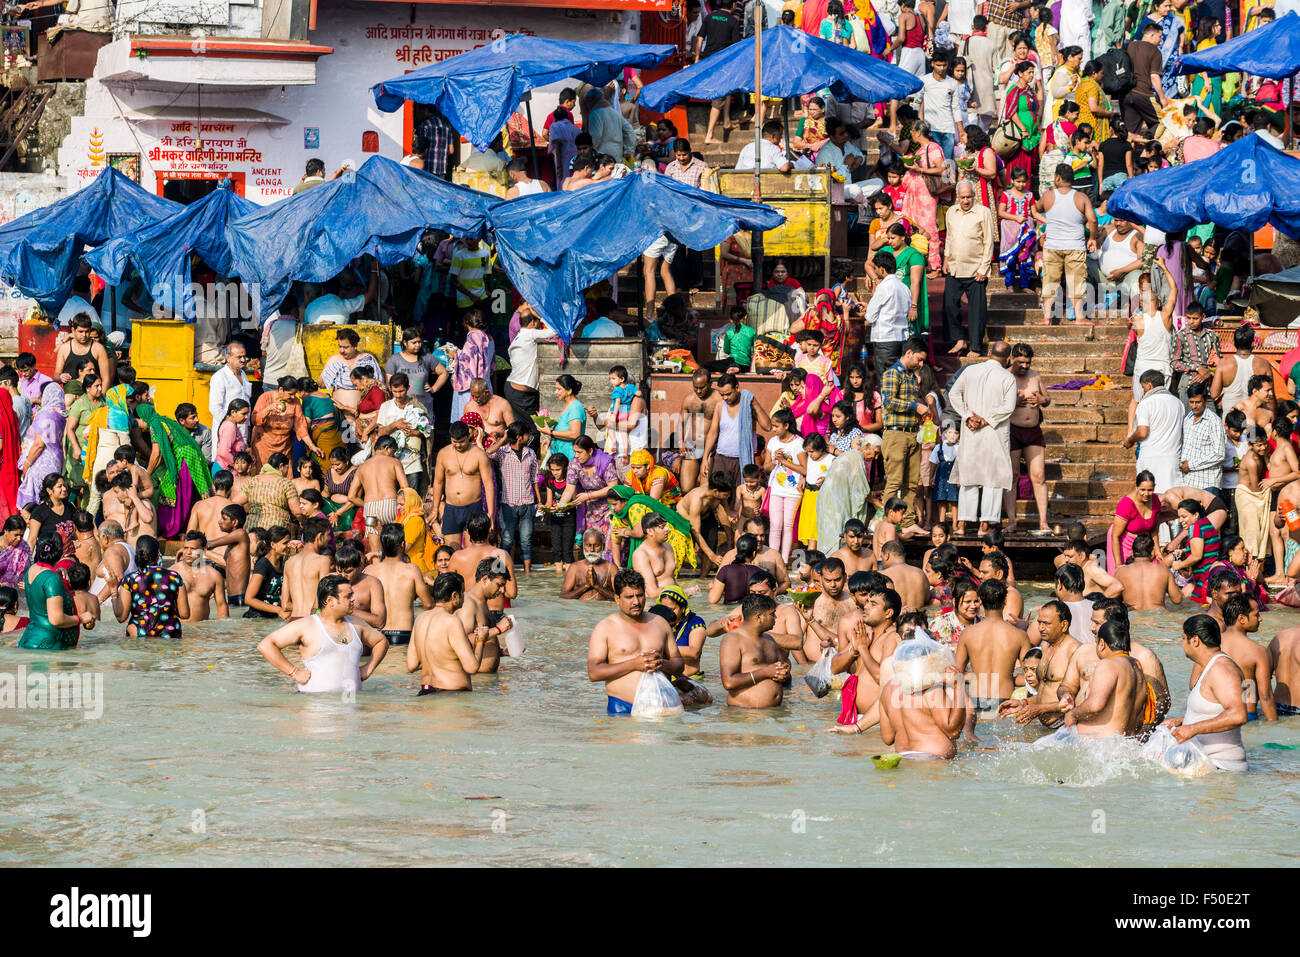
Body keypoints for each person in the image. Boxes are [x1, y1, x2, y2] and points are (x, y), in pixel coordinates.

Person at [259, 575, 389, 694]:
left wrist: (368, 669)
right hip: (315, 707)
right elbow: (266, 645)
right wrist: (294, 672)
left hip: (351, 706)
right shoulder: (306, 625)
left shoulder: (357, 625)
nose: (353, 600)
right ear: (330, 600)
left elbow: (381, 641)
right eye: (348, 596)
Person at [586, 569, 685, 714]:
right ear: (617, 598)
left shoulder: (660, 623)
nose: (636, 602)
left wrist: (662, 664)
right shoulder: (605, 628)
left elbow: (679, 664)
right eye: (629, 597)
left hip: (659, 704)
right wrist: (633, 664)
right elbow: (594, 673)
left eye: (639, 595)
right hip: (622, 706)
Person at [947, 342, 1018, 535]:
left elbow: (953, 393)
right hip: (993, 432)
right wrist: (985, 420)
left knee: (969, 476)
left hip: (971, 430)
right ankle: (984, 525)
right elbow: (1009, 407)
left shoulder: (970, 371)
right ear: (1008, 359)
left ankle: (961, 525)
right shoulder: (1007, 377)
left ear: (989, 353)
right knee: (992, 479)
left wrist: (967, 416)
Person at [1163, 615, 1248, 771]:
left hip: (1221, 769)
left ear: (1195, 640)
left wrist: (1192, 728)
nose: (1182, 645)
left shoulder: (1221, 669)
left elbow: (1238, 715)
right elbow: (1217, 710)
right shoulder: (1212, 666)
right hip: (1210, 766)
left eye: (1183, 639)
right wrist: (1183, 721)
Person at [1058, 619, 1150, 737]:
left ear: (1101, 643)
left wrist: (1073, 714)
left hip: (1100, 746)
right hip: (1125, 743)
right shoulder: (1136, 666)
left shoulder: (1108, 664)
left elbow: (1095, 705)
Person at [1036, 163, 1098, 323]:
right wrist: (1091, 238)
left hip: (1053, 246)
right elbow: (1093, 219)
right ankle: (1079, 317)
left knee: (1050, 281)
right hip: (1075, 246)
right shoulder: (1081, 197)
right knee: (1077, 282)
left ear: (1057, 178)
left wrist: (1042, 218)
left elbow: (1035, 208)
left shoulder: (1048, 196)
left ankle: (1046, 317)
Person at [880, 337, 930, 528]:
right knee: (894, 482)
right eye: (919, 359)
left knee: (911, 483)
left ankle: (908, 523)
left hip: (912, 433)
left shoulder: (911, 375)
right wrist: (915, 406)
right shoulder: (892, 373)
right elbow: (889, 402)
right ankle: (888, 524)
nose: (921, 363)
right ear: (909, 353)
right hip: (895, 435)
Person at [942, 182, 995, 356]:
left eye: (968, 197)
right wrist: (946, 259)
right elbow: (949, 237)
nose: (965, 201)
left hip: (975, 269)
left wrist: (984, 267)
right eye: (962, 197)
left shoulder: (983, 212)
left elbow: (988, 241)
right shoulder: (951, 212)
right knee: (949, 305)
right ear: (958, 196)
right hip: (955, 267)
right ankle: (959, 340)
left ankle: (975, 347)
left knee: (977, 311)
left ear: (974, 196)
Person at [20, 532, 94, 649]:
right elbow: (56, 619)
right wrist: (82, 618)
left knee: (23, 668)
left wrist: (55, 571)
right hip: (49, 645)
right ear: (60, 553)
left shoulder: (32, 570)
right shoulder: (52, 579)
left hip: (29, 640)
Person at [701, 373, 772, 489]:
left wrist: (753, 402)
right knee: (720, 498)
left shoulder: (748, 404)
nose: (725, 398)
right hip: (722, 459)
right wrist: (705, 458)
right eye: (722, 394)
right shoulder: (720, 406)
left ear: (737, 388)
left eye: (728, 394)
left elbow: (768, 427)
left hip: (743, 461)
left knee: (741, 500)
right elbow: (713, 432)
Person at [718, 593, 790, 708]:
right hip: (744, 715)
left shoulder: (769, 639)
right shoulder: (732, 640)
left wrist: (784, 672)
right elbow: (728, 682)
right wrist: (765, 672)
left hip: (774, 713)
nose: (775, 618)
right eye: (772, 614)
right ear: (759, 617)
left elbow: (783, 677)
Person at [111, 535, 189, 638]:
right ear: (158, 555)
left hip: (140, 633)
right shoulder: (175, 577)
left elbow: (121, 617)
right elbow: (184, 614)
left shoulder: (130, 579)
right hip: (170, 634)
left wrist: (113, 591)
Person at [429, 422, 494, 543]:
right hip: (451, 509)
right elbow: (438, 483)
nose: (458, 445)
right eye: (454, 441)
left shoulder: (479, 454)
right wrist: (434, 509)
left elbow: (488, 484)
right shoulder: (443, 454)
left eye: (462, 441)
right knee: (452, 551)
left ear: (468, 436)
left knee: (473, 551)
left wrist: (490, 514)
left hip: (473, 507)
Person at [1216, 593, 1276, 721]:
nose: (1260, 619)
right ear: (1242, 619)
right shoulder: (1258, 651)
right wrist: (1274, 728)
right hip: (1246, 715)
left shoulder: (1212, 644)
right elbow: (1265, 696)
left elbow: (1194, 683)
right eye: (1256, 615)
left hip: (1216, 715)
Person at [1124, 370, 1184, 495]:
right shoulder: (1178, 403)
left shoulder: (1146, 403)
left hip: (1151, 459)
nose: (1143, 391)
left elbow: (1142, 432)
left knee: (1150, 500)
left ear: (1149, 385)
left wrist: (1130, 440)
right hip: (1173, 459)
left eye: (1143, 387)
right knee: (1172, 499)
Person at [18, 383, 66, 510]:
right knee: (52, 500)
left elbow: (39, 444)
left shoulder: (45, 414)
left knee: (37, 505)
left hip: (40, 463)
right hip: (55, 463)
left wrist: (27, 464)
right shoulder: (62, 415)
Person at [1211, 325, 1271, 415]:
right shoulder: (1263, 364)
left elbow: (1214, 394)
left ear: (1234, 343)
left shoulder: (1223, 364)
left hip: (1230, 420)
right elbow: (1271, 396)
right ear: (1252, 343)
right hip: (1254, 418)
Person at [1113, 533, 1182, 610]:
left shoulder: (1121, 572)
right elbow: (1177, 599)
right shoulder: (1164, 570)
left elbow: (1114, 601)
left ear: (1132, 553)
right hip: (1159, 618)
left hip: (1133, 617)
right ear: (1152, 552)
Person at [1123, 21, 1165, 135]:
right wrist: (1162, 98)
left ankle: (1131, 149)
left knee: (1130, 130)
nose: (1161, 40)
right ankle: (1149, 147)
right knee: (1164, 121)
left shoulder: (1130, 46)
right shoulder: (1155, 52)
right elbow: (1154, 77)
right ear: (1151, 35)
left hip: (1127, 94)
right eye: (1160, 37)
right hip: (1143, 93)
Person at [207, 343, 252, 446]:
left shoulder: (244, 375)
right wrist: (230, 425)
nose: (243, 360)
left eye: (244, 356)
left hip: (243, 429)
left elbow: (247, 402)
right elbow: (215, 408)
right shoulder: (219, 377)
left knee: (241, 460)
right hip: (227, 430)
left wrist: (247, 427)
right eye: (239, 357)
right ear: (228, 358)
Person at [536, 374, 586, 464]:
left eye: (559, 389)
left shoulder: (575, 408)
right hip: (561, 456)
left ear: (569, 391)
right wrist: (551, 439)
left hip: (569, 457)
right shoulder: (568, 405)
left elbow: (575, 433)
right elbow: (564, 429)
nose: (556, 392)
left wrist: (551, 433)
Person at [560, 530, 618, 601]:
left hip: (602, 610)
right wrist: (586, 586)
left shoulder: (611, 568)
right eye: (588, 545)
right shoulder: (574, 567)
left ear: (603, 546)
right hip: (580, 610)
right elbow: (563, 596)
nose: (592, 550)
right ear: (583, 545)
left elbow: (620, 597)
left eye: (596, 545)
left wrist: (597, 586)